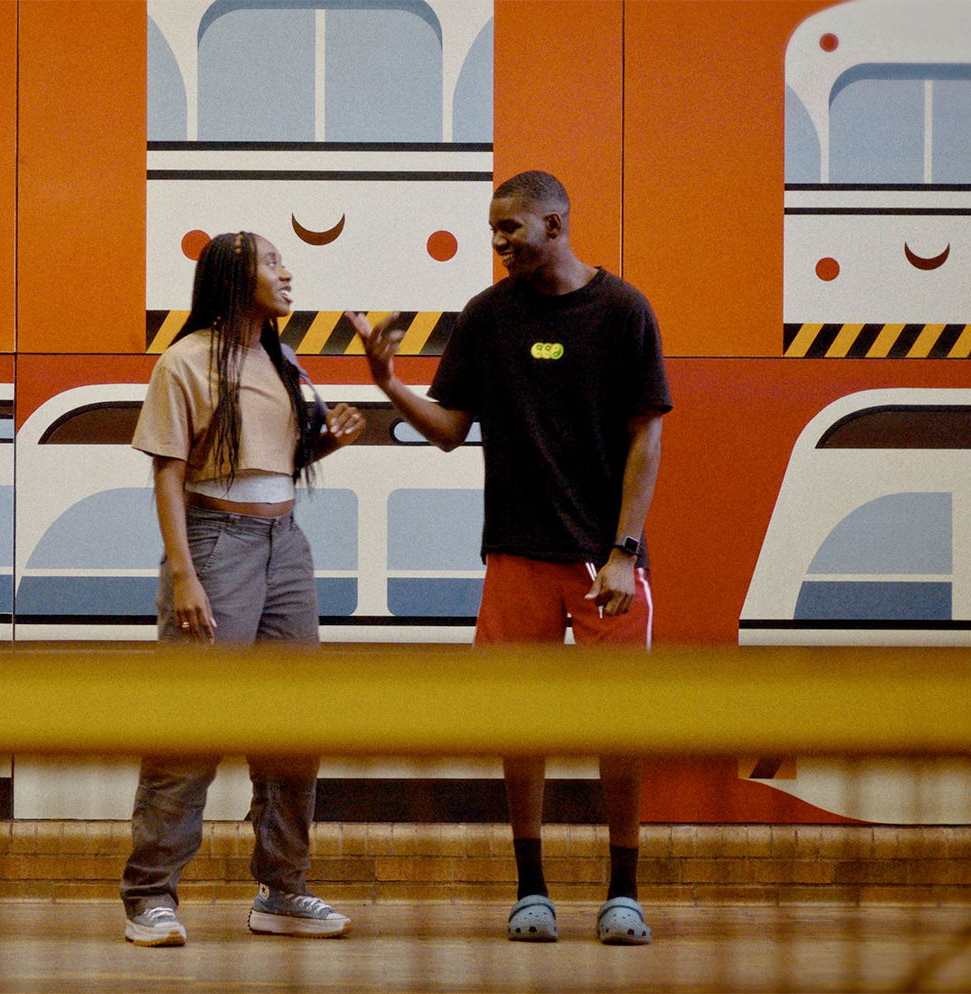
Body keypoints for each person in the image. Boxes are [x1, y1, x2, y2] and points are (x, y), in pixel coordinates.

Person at [353, 171, 670, 946]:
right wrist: (387, 381)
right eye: (494, 230)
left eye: (511, 229)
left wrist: (623, 550)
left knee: (621, 729)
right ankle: (532, 890)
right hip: (515, 554)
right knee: (519, 726)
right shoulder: (487, 317)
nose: (498, 243)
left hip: (604, 562)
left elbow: (647, 435)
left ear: (555, 225)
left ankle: (623, 893)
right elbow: (449, 429)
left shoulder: (624, 311)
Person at [120, 231, 368, 947]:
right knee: (192, 725)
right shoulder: (185, 360)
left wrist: (327, 442)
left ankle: (282, 890)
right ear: (233, 276)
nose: (287, 274)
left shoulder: (280, 361)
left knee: (293, 727)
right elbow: (168, 472)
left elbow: (278, 460)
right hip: (214, 542)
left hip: (284, 543)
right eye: (272, 262)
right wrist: (184, 574)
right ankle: (150, 897)